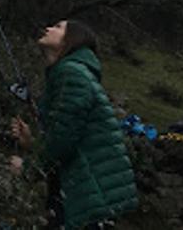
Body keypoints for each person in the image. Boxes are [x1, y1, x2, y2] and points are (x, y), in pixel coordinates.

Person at [10, 20, 138, 230]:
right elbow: (71, 135)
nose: (48, 28)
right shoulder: (72, 72)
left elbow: (64, 139)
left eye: (59, 27)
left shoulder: (71, 73)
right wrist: (32, 142)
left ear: (71, 41)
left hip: (87, 193)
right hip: (89, 190)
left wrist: (27, 169)